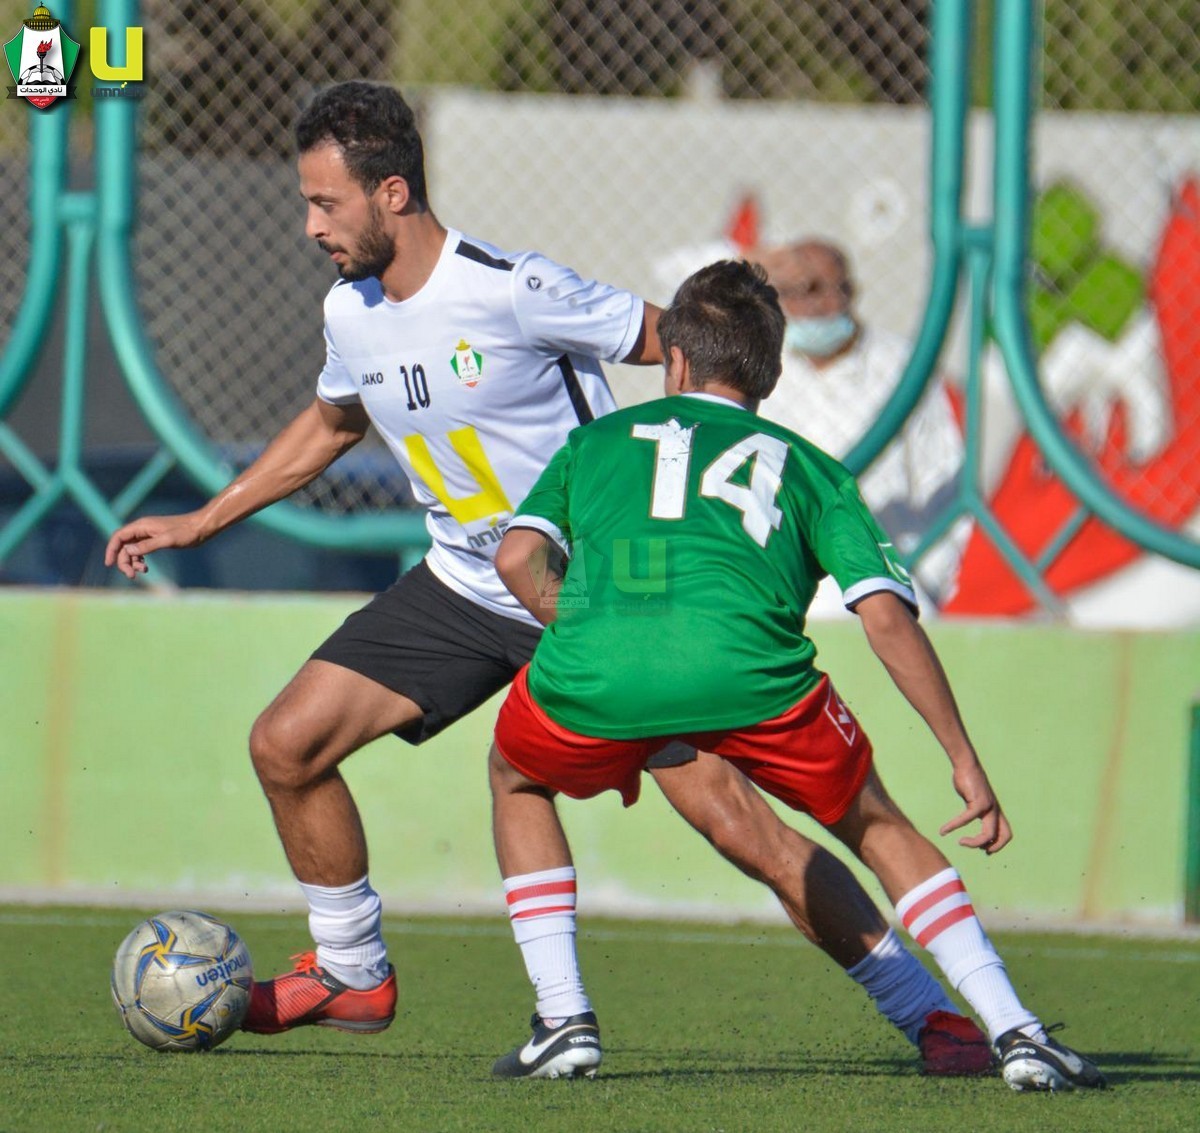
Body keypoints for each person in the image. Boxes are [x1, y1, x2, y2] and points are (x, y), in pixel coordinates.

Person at [104, 82, 985, 1076]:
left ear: (392, 192)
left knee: (738, 823)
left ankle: (930, 1012)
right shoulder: (350, 312)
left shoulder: (515, 289)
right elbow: (332, 423)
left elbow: (690, 348)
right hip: (464, 585)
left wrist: (697, 504)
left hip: (591, 591)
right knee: (286, 743)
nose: (311, 226)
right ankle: (352, 970)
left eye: (325, 203)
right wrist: (201, 519)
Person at [489, 259, 1105, 1093]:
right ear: (770, 375)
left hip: (595, 674)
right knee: (877, 825)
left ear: (675, 360)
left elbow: (517, 557)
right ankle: (1016, 1031)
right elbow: (885, 618)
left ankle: (564, 1016)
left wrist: (587, 624)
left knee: (517, 778)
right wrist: (962, 756)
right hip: (758, 679)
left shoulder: (594, 443)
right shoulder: (815, 470)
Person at [752, 238, 967, 607]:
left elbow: (943, 475)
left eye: (832, 288)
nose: (820, 304)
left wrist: (924, 581)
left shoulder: (902, 366)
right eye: (802, 290)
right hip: (787, 582)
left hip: (893, 573)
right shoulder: (760, 369)